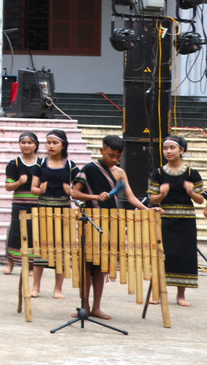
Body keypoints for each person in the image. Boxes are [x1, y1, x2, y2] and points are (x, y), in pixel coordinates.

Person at [73, 134, 151, 318]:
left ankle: (96, 307)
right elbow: (74, 192)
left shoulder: (120, 172)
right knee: (86, 266)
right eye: (111, 155)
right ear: (102, 151)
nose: (115, 159)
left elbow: (131, 197)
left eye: (118, 156)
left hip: (110, 224)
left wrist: (147, 209)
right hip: (91, 222)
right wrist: (94, 197)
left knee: (101, 266)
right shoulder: (89, 169)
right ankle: (84, 307)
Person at [148, 135, 204, 306]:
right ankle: (157, 293)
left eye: (172, 148)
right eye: (166, 148)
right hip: (164, 220)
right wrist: (162, 194)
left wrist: (191, 192)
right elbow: (152, 199)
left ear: (182, 150)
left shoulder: (191, 173)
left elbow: (200, 200)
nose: (168, 151)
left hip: (185, 220)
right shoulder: (158, 173)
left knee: (184, 256)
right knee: (162, 255)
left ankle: (181, 295)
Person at [30, 129, 78, 299]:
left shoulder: (71, 166)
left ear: (63, 145)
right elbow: (33, 188)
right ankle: (36, 287)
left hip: (64, 210)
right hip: (43, 209)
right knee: (40, 249)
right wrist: (40, 190)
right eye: (48, 142)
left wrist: (70, 190)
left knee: (62, 250)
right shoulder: (40, 164)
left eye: (55, 143)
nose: (51, 146)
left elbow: (79, 191)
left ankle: (58, 288)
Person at [3, 132, 42, 275]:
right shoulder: (14, 163)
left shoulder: (41, 163)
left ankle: (31, 265)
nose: (26, 145)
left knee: (33, 233)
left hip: (37, 204)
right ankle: (11, 263)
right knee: (15, 232)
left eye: (30, 142)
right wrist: (19, 182)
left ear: (36, 145)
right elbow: (8, 186)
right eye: (23, 142)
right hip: (19, 203)